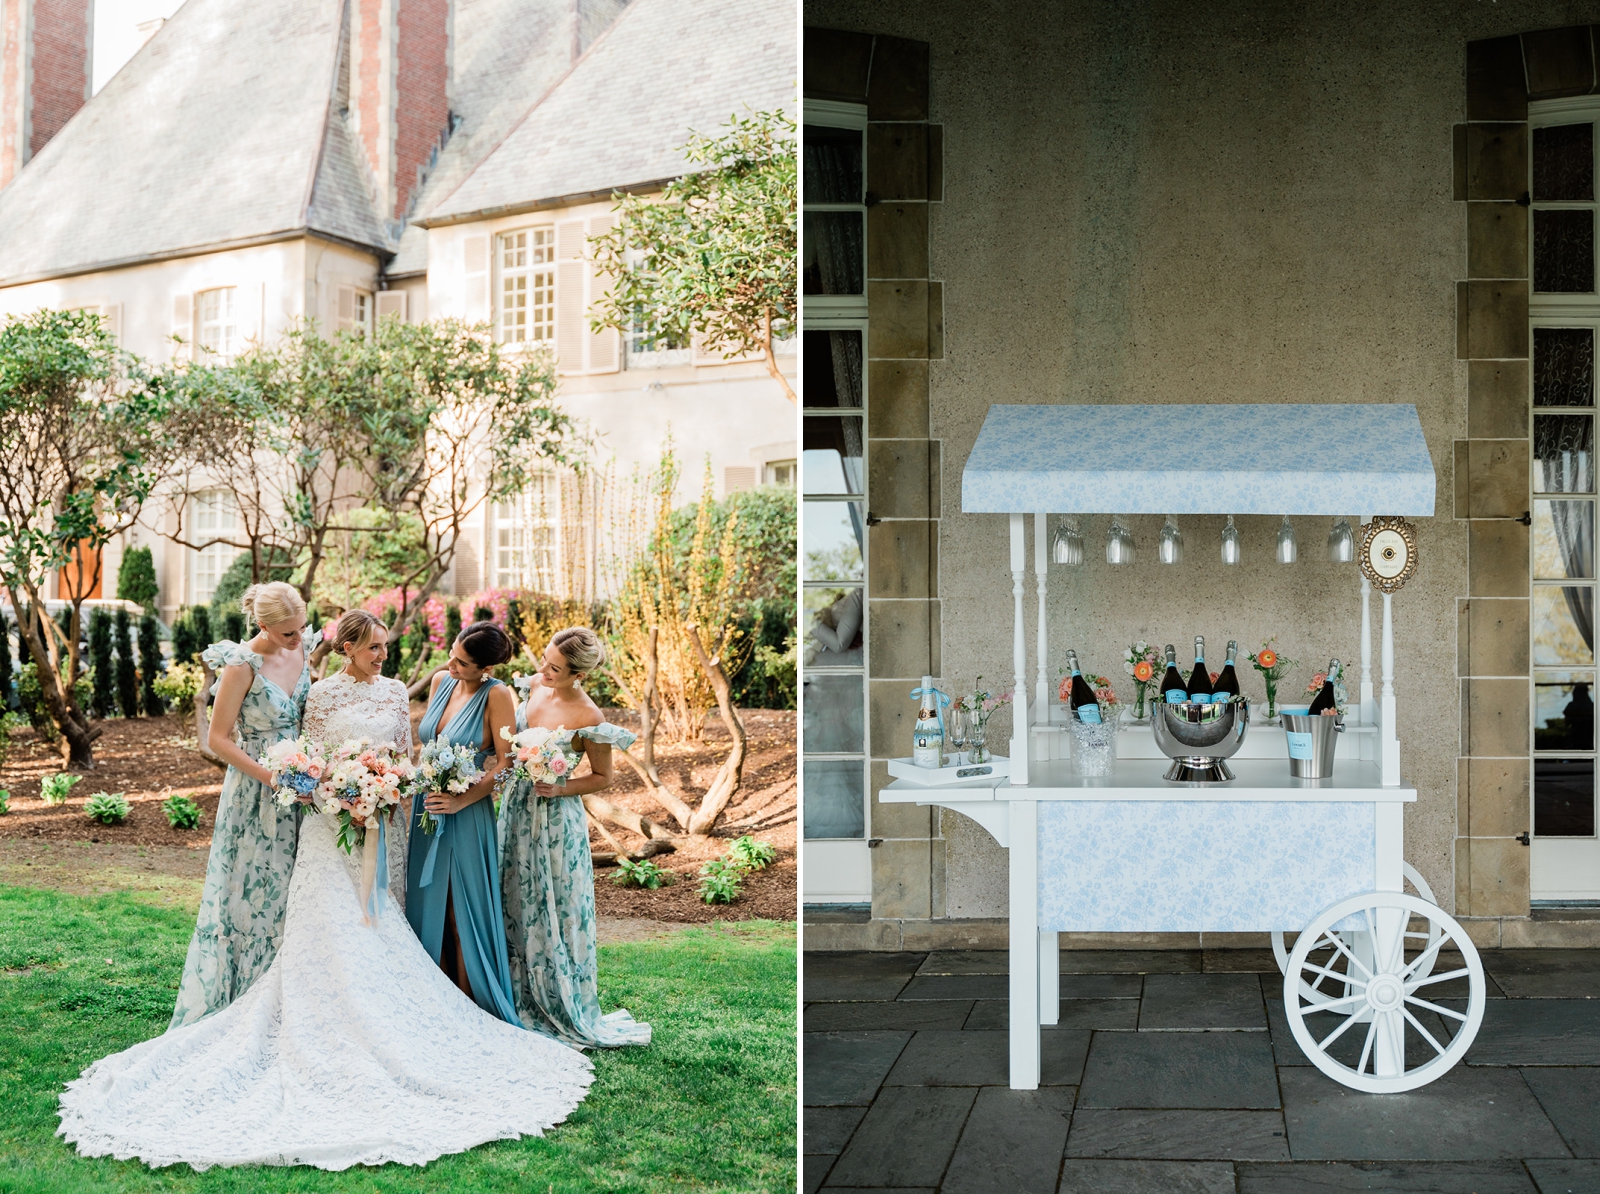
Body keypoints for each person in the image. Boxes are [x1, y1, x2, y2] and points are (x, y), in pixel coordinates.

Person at [57, 609, 593, 1170]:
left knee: (381, 919)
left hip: (385, 821)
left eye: (387, 647)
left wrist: (385, 793)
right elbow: (312, 759)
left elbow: (404, 756)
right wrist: (344, 797)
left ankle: (391, 1014)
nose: (385, 657)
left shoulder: (393, 693)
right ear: (348, 649)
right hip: (328, 822)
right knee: (324, 920)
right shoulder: (321, 694)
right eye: (374, 648)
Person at [170, 582, 316, 1029]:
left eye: (302, 629)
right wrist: (270, 775)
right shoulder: (240, 666)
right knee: (257, 891)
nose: (298, 639)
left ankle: (295, 992)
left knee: (299, 888)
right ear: (263, 626)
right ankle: (250, 993)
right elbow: (217, 740)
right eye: (288, 633)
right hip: (257, 790)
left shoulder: (302, 648)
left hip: (305, 786)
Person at [500, 627, 650, 1047]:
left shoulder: (589, 716)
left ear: (578, 674)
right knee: (513, 896)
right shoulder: (532, 686)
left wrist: (560, 787)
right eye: (545, 661)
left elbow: (603, 777)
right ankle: (512, 992)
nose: (543, 671)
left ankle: (556, 997)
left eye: (555, 668)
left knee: (556, 905)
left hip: (555, 823)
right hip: (515, 812)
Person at [407, 621, 521, 1023]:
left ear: (484, 669)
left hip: (466, 811)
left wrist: (462, 800)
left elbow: (509, 763)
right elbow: (427, 744)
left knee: (460, 910)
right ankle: (432, 1002)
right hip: (428, 806)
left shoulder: (497, 695)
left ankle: (471, 1008)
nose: (452, 664)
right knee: (425, 901)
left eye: (463, 663)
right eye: (453, 654)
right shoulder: (441, 680)